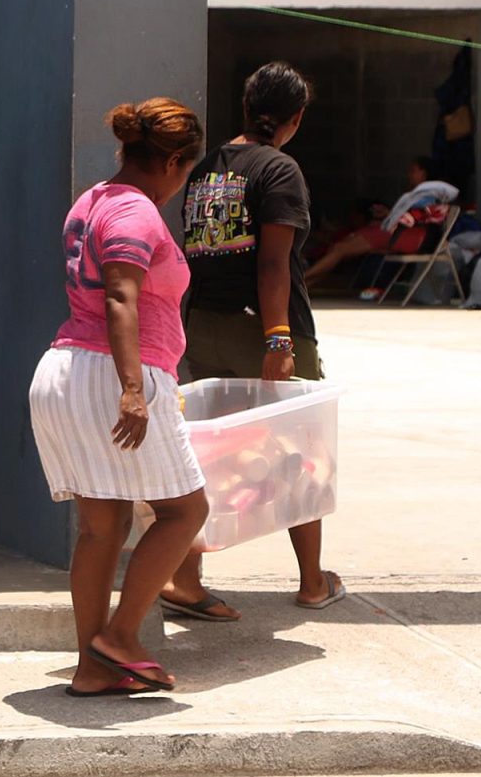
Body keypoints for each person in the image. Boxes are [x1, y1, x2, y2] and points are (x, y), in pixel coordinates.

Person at [28, 97, 209, 697]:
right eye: (185, 172)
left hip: (66, 370)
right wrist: (133, 389)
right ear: (174, 160)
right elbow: (120, 299)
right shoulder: (135, 212)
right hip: (114, 375)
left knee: (101, 528)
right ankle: (123, 636)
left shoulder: (93, 201)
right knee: (185, 510)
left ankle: (92, 667)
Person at [169, 62, 345, 617]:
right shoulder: (280, 169)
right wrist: (278, 339)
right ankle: (313, 582)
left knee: (201, 454)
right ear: (294, 119)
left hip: (203, 328)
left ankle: (186, 579)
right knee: (302, 448)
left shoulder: (205, 172)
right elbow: (272, 265)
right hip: (260, 328)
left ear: (247, 109)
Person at [303, 156, 459, 284]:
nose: (409, 175)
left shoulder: (429, 194)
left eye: (413, 171)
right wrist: (389, 215)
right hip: (406, 234)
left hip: (410, 237)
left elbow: (414, 218)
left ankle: (303, 282)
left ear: (424, 174)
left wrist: (390, 216)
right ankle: (307, 282)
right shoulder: (424, 193)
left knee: (340, 249)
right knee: (340, 246)